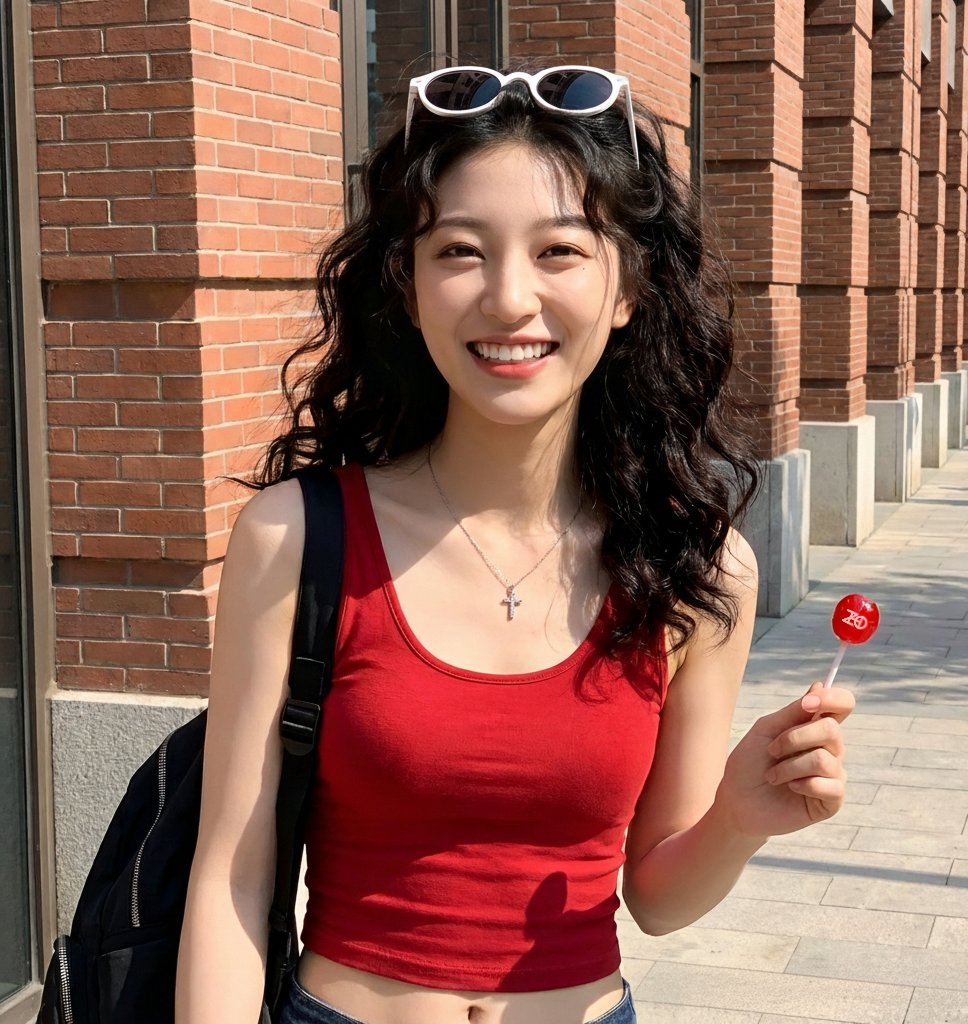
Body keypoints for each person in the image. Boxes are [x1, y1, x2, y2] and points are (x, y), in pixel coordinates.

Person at [176, 67, 855, 1024]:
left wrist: (741, 820)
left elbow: (656, 899)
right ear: (408, 289)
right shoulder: (294, 536)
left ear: (627, 291)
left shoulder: (697, 572)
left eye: (559, 252)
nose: (507, 299)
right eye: (460, 250)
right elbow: (231, 886)